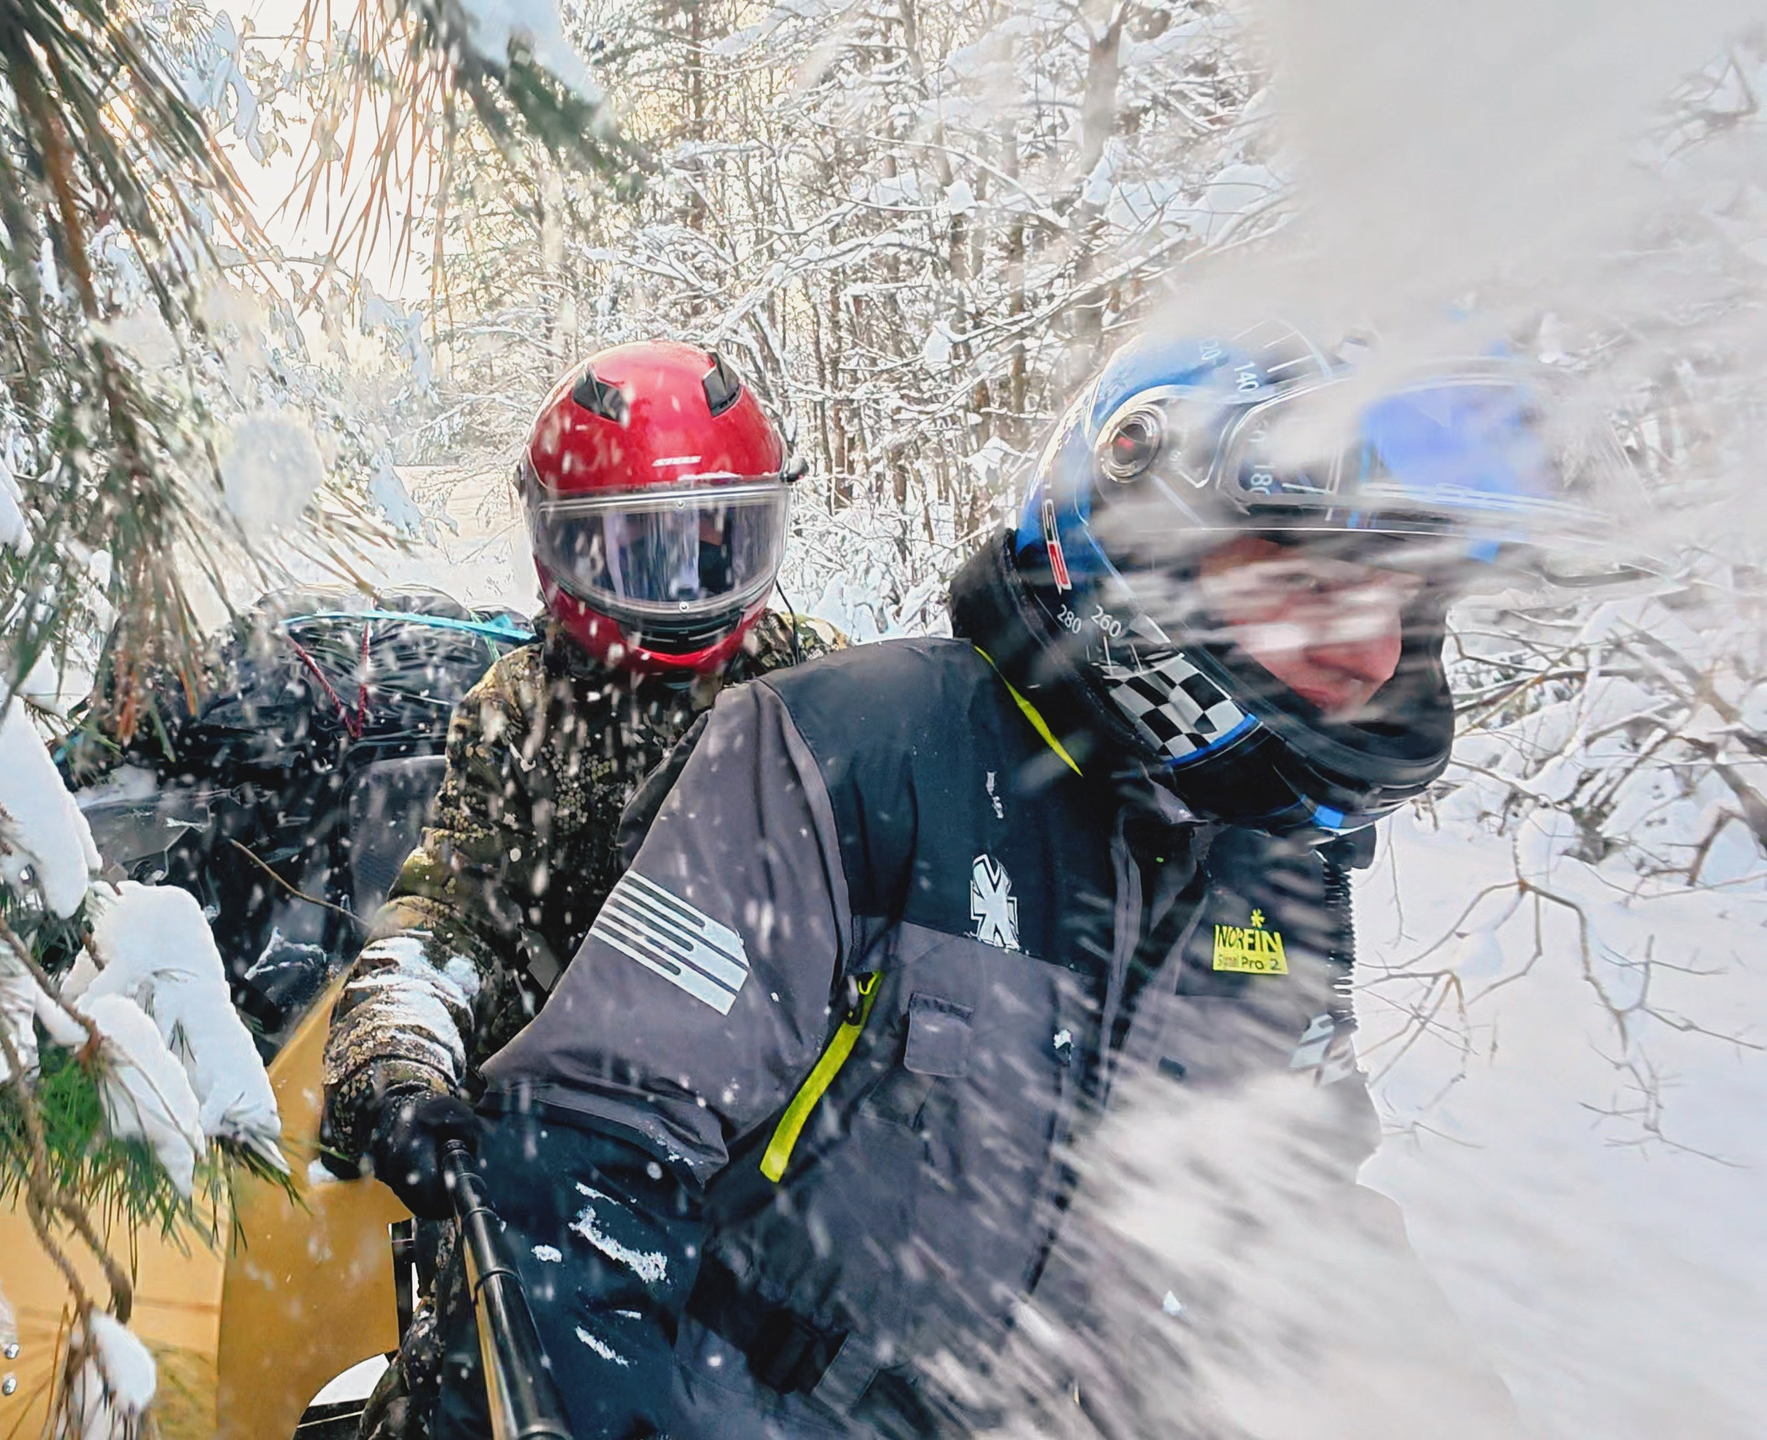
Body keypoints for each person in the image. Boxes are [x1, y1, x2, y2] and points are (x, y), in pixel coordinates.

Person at [432, 325, 1641, 1439]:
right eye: (1308, 582)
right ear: (1143, 560)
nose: (1365, 650)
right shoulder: (854, 751)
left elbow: (1298, 1230)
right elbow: (589, 1139)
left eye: (1403, 600)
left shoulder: (1274, 870)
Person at [319, 340, 842, 1436]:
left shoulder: (822, 696)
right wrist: (396, 1052)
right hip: (562, 1151)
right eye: (640, 554)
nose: (688, 587)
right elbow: (449, 911)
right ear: (565, 552)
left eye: (717, 543)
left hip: (773, 1157)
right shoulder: (521, 711)